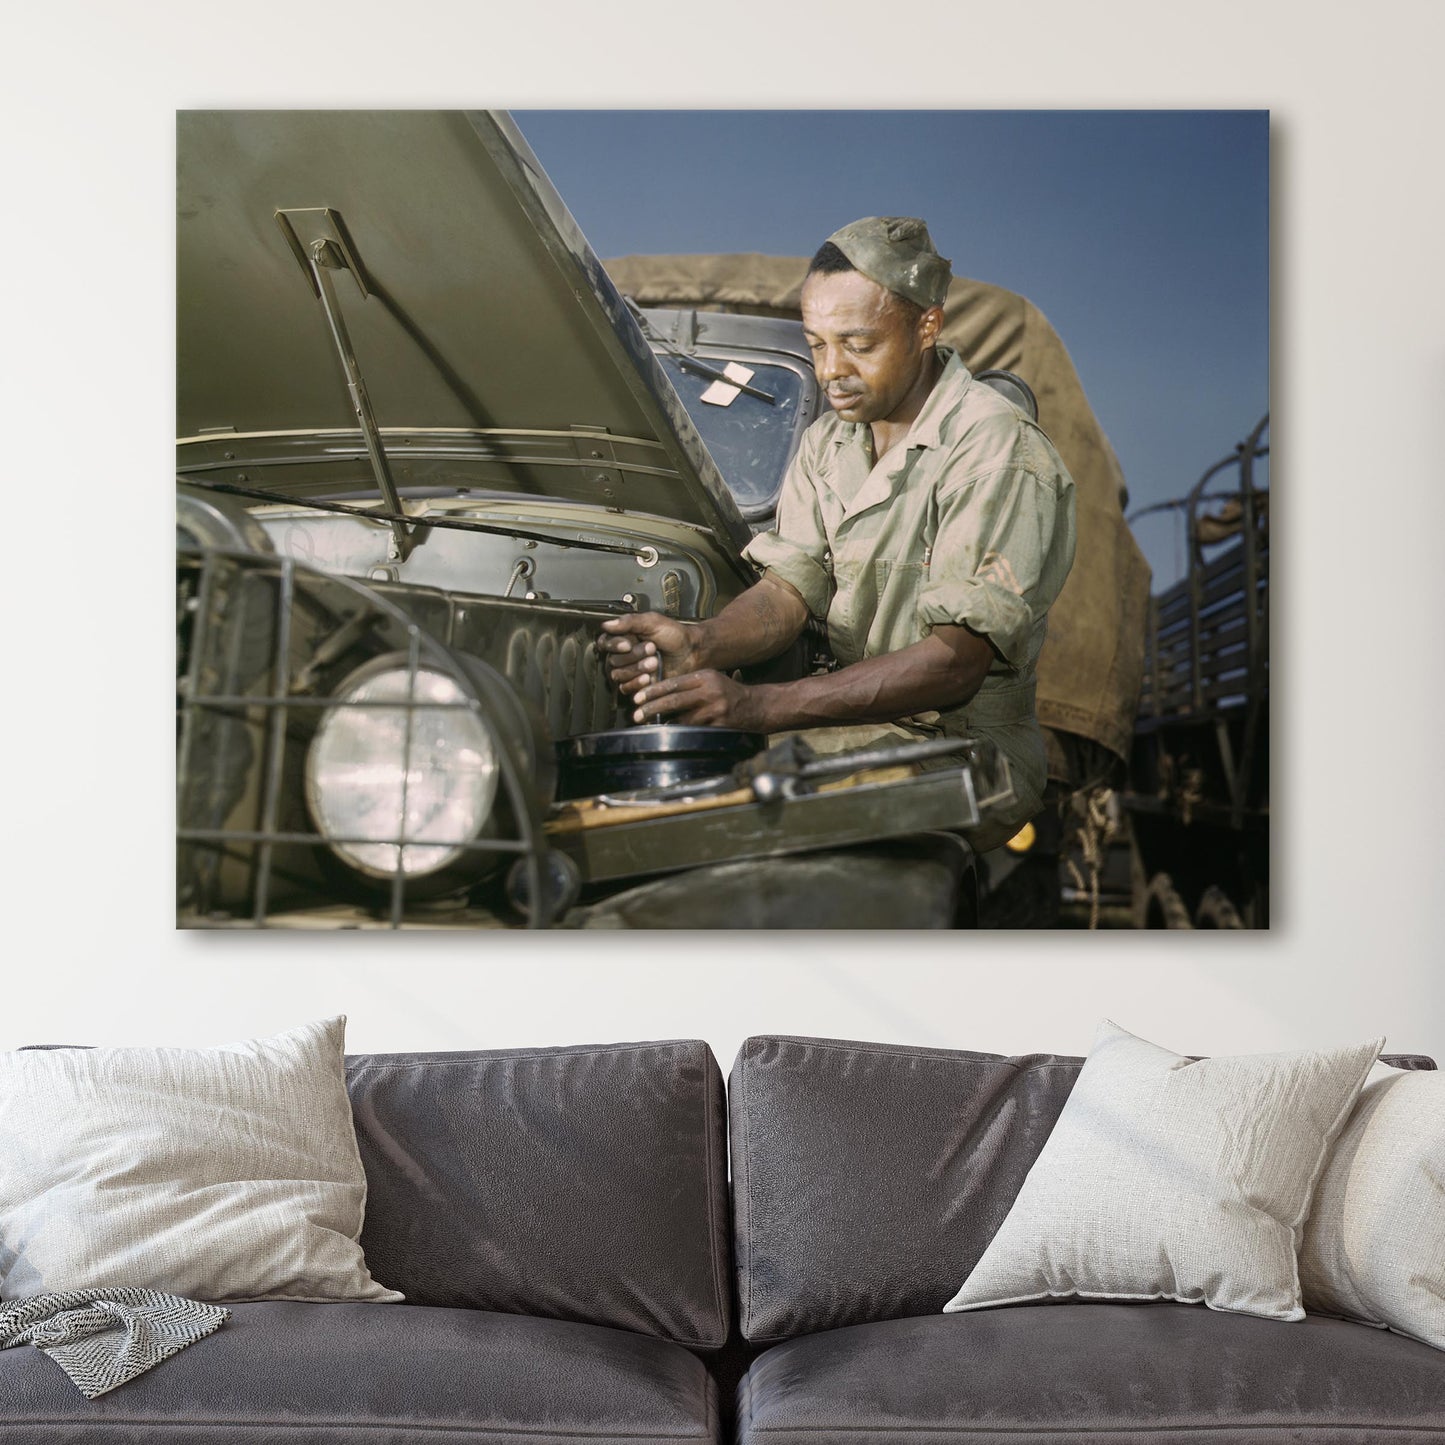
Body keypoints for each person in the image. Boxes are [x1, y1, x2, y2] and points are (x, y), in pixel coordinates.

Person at [598, 216, 1076, 850]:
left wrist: (757, 709)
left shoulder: (994, 449)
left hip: (965, 750)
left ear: (926, 326)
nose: (831, 371)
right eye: (817, 344)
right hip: (861, 728)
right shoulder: (829, 442)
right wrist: (700, 642)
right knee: (662, 787)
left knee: (720, 816)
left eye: (858, 343)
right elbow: (788, 589)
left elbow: (956, 663)